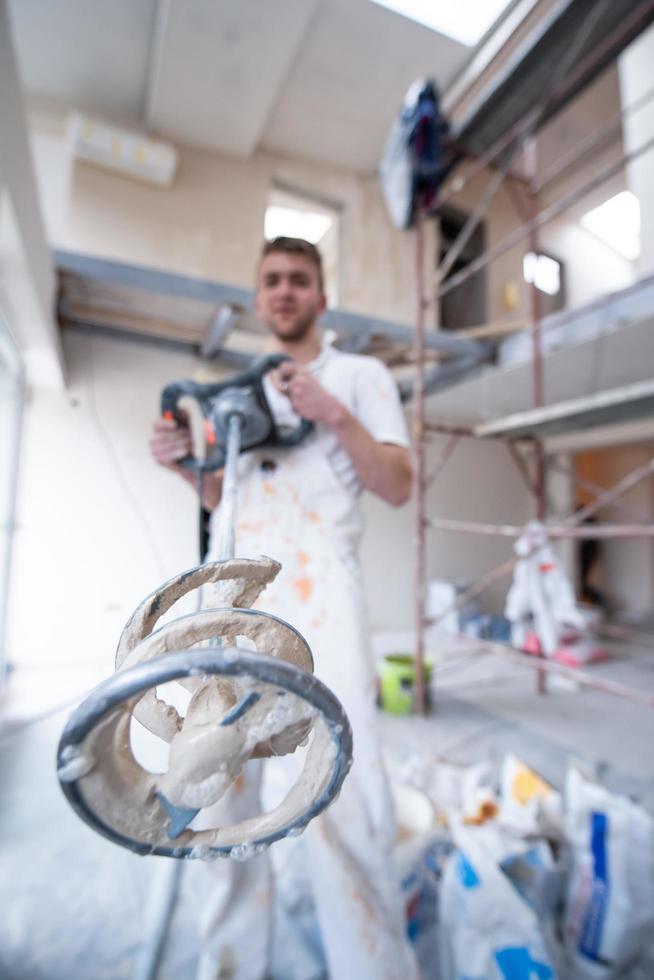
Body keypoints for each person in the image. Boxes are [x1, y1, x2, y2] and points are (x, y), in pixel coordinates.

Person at [150, 237, 417, 980]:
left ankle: (373, 968)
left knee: (346, 793)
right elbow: (226, 500)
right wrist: (183, 466)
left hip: (323, 591)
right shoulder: (239, 389)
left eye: (300, 280)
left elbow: (396, 481)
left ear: (322, 298)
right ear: (259, 296)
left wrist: (332, 412)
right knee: (219, 792)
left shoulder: (360, 376)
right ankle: (231, 965)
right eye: (272, 280)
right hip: (236, 592)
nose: (285, 291)